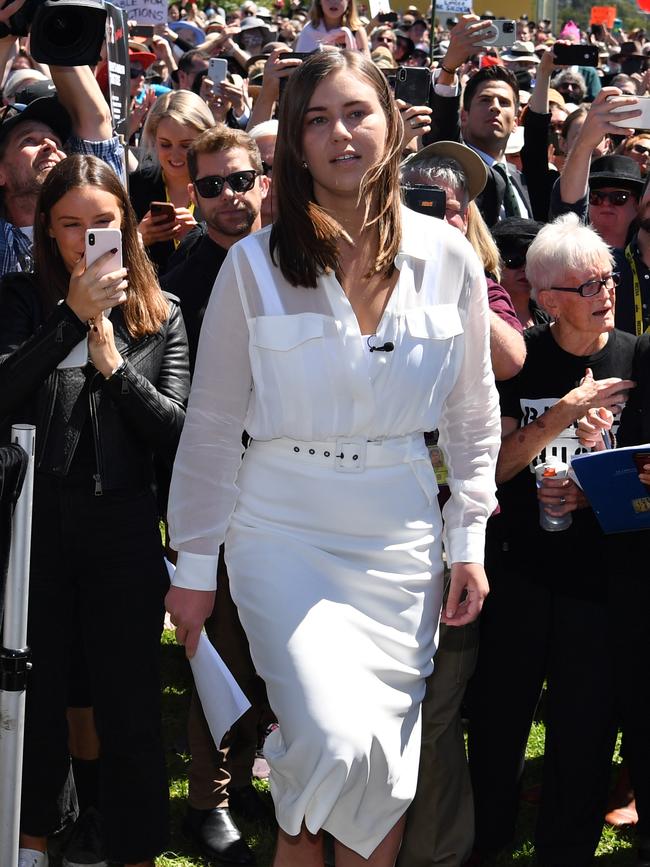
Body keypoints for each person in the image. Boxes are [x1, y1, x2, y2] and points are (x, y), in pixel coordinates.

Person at [165, 49, 500, 867]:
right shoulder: (253, 265)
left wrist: (470, 539)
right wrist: (195, 568)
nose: (340, 135)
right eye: (317, 119)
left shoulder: (448, 256)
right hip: (281, 529)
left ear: (391, 124)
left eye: (357, 113)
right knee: (332, 736)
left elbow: (471, 414)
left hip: (400, 537)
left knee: (377, 765)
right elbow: (211, 426)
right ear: (297, 146)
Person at [0, 154, 190, 867]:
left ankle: (134, 847)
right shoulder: (20, 301)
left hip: (123, 526)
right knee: (35, 692)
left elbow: (176, 429)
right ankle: (30, 842)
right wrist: (66, 322)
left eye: (101, 224)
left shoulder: (161, 314)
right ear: (47, 230)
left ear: (129, 228)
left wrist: (113, 371)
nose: (85, 240)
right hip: (34, 528)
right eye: (69, 224)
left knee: (131, 703)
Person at [466, 213, 636, 866]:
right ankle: (489, 840)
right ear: (546, 298)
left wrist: (594, 486)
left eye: (609, 278)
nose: (606, 292)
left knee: (585, 725)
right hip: (519, 573)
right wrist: (559, 417)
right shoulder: (522, 361)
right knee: (501, 718)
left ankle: (565, 847)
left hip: (600, 582)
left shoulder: (636, 357)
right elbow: (496, 468)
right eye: (589, 283)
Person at [397, 141, 524, 867]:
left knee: (439, 709)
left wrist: (453, 266)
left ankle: (435, 853)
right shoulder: (366, 269)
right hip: (375, 513)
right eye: (416, 199)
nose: (434, 212)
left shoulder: (480, 276)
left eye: (448, 204)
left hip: (457, 529)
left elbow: (509, 358)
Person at [162, 124, 270, 866]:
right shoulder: (178, 278)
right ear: (189, 193)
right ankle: (212, 796)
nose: (230, 196)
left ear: (264, 178)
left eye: (242, 179)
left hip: (303, 480)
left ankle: (274, 769)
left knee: (281, 646)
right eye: (212, 185)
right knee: (220, 648)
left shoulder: (303, 255)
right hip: (219, 486)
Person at [0, 25, 125, 276]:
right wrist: (6, 33)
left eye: (55, 141)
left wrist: (58, 29)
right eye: (29, 141)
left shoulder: (96, 196)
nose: (49, 145)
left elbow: (98, 119)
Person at [129, 90, 213, 274]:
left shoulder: (220, 188)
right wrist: (137, 238)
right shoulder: (133, 187)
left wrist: (199, 238)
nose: (175, 155)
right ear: (153, 138)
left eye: (186, 145)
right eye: (165, 144)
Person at [295, 0, 369, 54]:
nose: (334, 2)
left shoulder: (357, 31)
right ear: (319, 2)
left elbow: (366, 67)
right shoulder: (308, 29)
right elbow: (299, 64)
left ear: (349, 2)